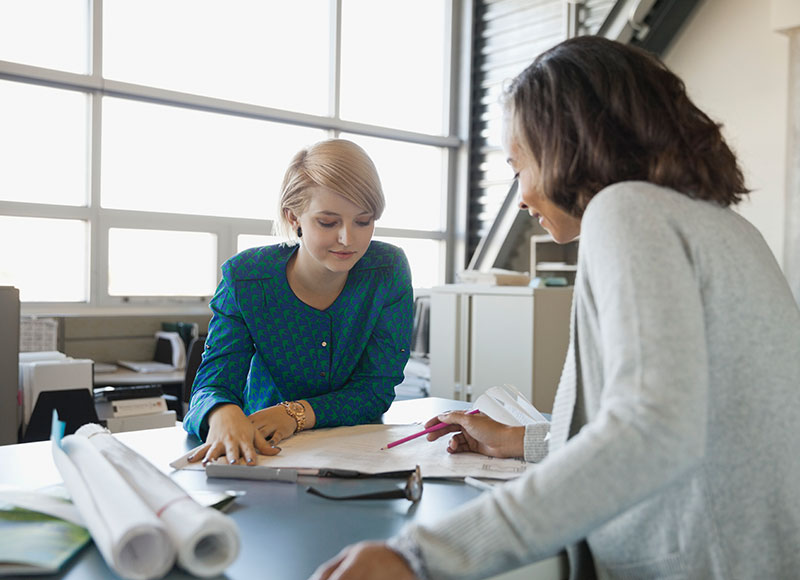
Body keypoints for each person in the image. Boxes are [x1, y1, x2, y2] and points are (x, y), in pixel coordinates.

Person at [310, 36, 800, 580]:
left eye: (520, 166)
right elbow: (697, 420)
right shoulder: (729, 228)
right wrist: (524, 440)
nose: (520, 197)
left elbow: (652, 431)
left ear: (569, 143)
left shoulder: (627, 210)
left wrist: (420, 556)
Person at [183, 138, 414, 466]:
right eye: (328, 222)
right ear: (294, 218)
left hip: (357, 454)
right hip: (261, 451)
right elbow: (212, 382)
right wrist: (222, 412)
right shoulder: (246, 278)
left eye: (363, 221)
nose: (348, 238)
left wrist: (295, 413)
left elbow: (375, 389)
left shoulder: (388, 270)